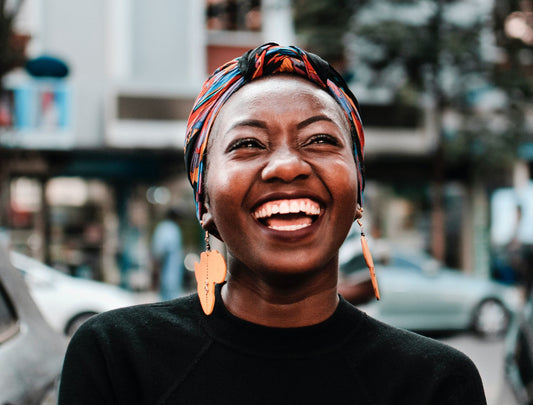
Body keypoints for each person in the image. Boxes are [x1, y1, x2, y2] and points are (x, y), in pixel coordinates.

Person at [58, 43, 487, 404]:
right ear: (203, 203)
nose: (286, 166)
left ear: (357, 192)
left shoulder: (435, 383)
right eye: (247, 144)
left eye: (319, 140)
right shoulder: (117, 357)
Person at [151, 207, 185, 300]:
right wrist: (156, 275)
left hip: (170, 276)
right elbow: (159, 253)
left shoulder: (166, 228)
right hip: (168, 276)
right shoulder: (169, 229)